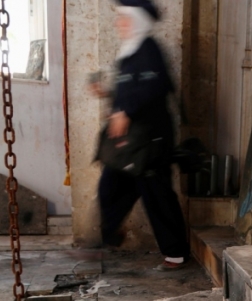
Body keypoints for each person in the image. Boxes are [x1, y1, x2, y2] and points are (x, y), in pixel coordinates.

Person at [90, 0, 189, 271]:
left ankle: (176, 253)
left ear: (137, 21)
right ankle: (110, 234)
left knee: (156, 194)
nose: (118, 24)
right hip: (131, 144)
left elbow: (157, 85)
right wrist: (108, 95)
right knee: (110, 187)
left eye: (123, 19)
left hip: (151, 141)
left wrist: (127, 112)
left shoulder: (149, 49)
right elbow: (132, 89)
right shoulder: (129, 54)